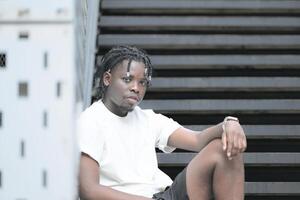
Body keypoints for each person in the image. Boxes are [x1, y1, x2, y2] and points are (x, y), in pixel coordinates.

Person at [78, 46, 247, 200]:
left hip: (166, 195)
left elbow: (198, 140)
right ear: (107, 79)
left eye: (142, 82)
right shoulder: (90, 121)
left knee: (223, 148)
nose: (136, 88)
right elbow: (88, 190)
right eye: (127, 79)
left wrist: (229, 123)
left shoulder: (148, 119)